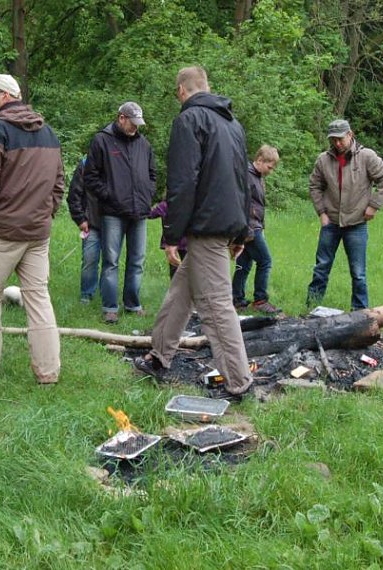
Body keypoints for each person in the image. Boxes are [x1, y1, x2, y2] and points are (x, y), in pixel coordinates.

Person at [134, 66, 253, 397]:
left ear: (182, 91)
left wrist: (172, 234)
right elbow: (244, 183)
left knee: (215, 308)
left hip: (206, 227)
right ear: (207, 87)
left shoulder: (189, 121)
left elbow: (183, 183)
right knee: (181, 294)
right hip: (223, 225)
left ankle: (240, 384)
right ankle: (159, 357)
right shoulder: (232, 124)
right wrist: (242, 232)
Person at [0, 74, 64, 386]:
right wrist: (44, 216)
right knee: (39, 300)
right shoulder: (48, 133)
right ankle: (48, 374)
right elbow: (58, 186)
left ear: (5, 96)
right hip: (36, 233)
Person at [306, 119, 383, 310]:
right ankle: (311, 307)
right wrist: (321, 211)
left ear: (350, 135)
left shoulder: (366, 157)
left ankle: (360, 312)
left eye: (340, 139)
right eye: (333, 140)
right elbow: (314, 186)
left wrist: (374, 205)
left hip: (357, 223)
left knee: (358, 272)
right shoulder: (323, 160)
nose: (337, 143)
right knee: (321, 267)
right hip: (330, 223)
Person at [83, 101, 156, 323]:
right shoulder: (102, 141)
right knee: (111, 261)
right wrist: (109, 195)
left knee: (137, 261)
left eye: (138, 123)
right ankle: (110, 307)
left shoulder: (144, 144)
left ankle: (133, 305)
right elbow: (90, 177)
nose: (135, 127)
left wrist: (148, 194)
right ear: (121, 118)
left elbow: (153, 174)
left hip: (140, 212)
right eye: (132, 122)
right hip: (112, 212)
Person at [232, 145, 280, 313]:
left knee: (244, 264)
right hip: (249, 227)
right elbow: (242, 204)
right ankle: (260, 300)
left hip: (255, 226)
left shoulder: (258, 176)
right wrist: (249, 230)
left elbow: (259, 206)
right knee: (265, 261)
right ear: (260, 160)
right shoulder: (247, 175)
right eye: (269, 167)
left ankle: (236, 299)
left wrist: (263, 227)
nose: (270, 171)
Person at [66, 156, 102, 303]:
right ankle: (86, 294)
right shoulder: (86, 162)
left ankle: (107, 296)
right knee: (89, 260)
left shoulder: (119, 160)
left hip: (115, 222)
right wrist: (80, 219)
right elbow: (74, 193)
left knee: (111, 263)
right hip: (91, 222)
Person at [147, 199, 187, 279]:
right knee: (188, 266)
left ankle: (175, 288)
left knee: (173, 267)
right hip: (185, 241)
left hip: (170, 240)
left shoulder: (164, 205)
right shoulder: (186, 204)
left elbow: (150, 214)